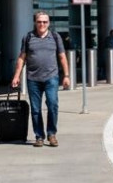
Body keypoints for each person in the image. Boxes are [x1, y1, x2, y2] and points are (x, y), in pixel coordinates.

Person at [12, 11, 71, 148]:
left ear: (48, 23)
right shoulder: (28, 37)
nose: (42, 24)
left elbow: (62, 57)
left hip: (51, 77)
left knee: (52, 105)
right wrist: (16, 76)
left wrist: (66, 76)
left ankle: (51, 134)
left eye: (45, 22)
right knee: (36, 109)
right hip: (33, 79)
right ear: (35, 22)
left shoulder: (55, 37)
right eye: (39, 22)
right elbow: (22, 58)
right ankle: (39, 136)